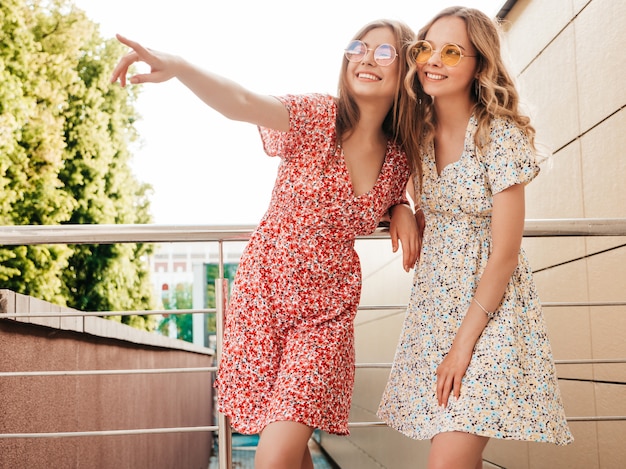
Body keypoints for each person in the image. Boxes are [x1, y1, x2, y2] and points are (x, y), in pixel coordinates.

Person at [111, 19, 420, 469]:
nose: (366, 58)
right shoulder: (316, 117)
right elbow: (241, 102)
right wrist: (178, 66)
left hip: (325, 317)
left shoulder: (399, 158)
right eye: (359, 47)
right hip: (264, 302)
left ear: (405, 71)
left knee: (273, 458)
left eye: (385, 52)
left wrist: (401, 208)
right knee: (289, 452)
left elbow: (393, 194)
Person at [378, 6, 574, 469]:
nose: (433, 60)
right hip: (436, 311)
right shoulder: (417, 135)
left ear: (479, 65)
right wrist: (399, 208)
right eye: (426, 48)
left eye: (452, 52)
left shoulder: (497, 134)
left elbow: (505, 254)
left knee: (446, 461)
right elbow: (384, 186)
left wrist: (462, 347)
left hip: (492, 314)